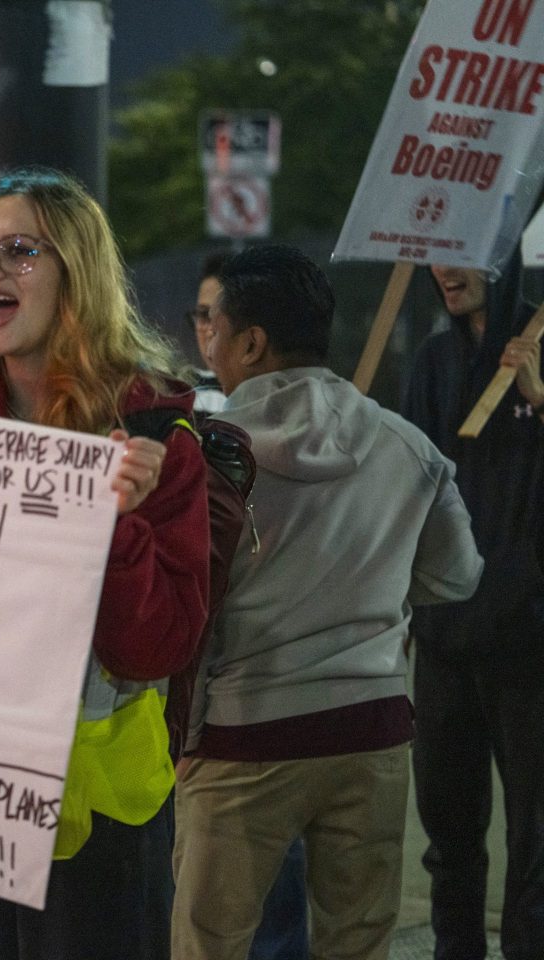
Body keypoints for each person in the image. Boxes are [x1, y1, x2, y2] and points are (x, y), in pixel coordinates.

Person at [0, 167, 211, 959]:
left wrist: (116, 529)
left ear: (78, 273)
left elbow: (158, 648)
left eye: (19, 251)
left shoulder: (156, 436)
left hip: (98, 821)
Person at [170, 245, 483, 960]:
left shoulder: (211, 455)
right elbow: (458, 576)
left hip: (245, 734)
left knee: (206, 943)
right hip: (370, 729)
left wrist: (184, 739)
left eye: (212, 325)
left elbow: (192, 606)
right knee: (358, 943)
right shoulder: (408, 448)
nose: (206, 340)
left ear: (252, 342)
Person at [402, 257, 544, 960]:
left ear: (501, 257)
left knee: (535, 839)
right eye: (435, 256)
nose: (445, 271)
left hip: (530, 638)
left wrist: (540, 398)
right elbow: (413, 486)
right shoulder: (432, 359)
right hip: (445, 636)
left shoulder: (541, 343)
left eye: (463, 254)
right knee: (449, 835)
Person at [191, 250, 309, 960]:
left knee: (273, 888)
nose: (205, 332)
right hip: (206, 693)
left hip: (266, 686)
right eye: (198, 316)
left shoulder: (278, 426)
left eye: (215, 317)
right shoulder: (174, 409)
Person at [187, 252, 228, 415]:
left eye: (221, 314)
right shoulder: (181, 397)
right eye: (203, 315)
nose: (210, 330)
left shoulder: (277, 400)